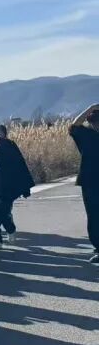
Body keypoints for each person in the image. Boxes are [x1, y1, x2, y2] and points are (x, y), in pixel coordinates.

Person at [0, 119, 33, 248]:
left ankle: (10, 228)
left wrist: (24, 186)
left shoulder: (7, 145)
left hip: (7, 187)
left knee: (2, 212)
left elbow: (18, 165)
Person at [69, 103, 99, 263]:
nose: (96, 125)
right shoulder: (86, 135)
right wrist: (91, 107)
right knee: (94, 215)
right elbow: (74, 126)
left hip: (89, 180)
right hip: (90, 180)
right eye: (93, 122)